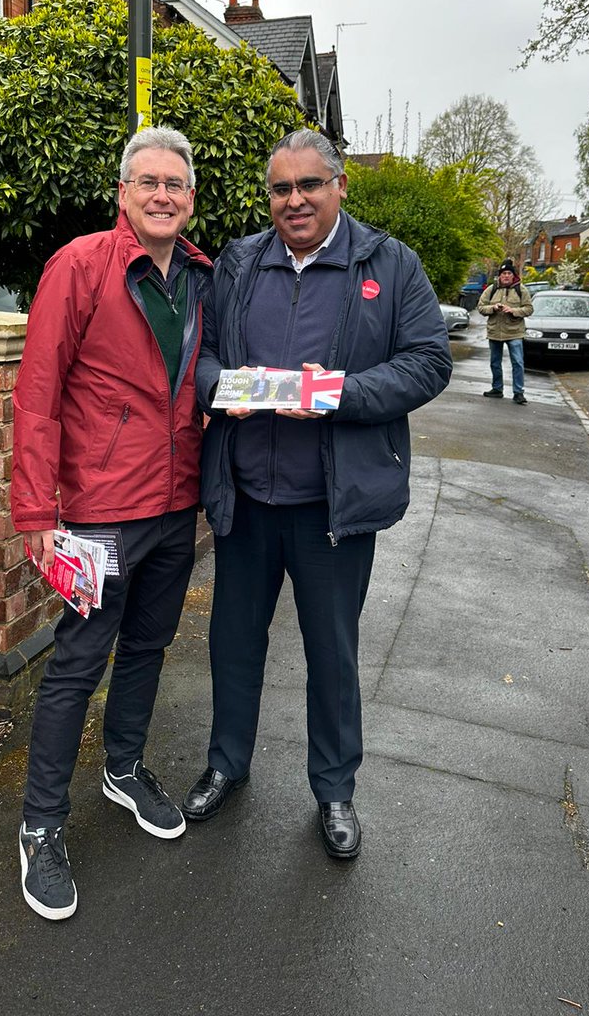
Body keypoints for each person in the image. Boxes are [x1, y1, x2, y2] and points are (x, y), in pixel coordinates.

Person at [182, 129, 452, 859]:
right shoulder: (239, 262)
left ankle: (334, 789)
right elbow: (198, 354)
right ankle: (225, 765)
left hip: (333, 506)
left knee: (331, 652)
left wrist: (341, 393)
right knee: (233, 642)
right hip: (244, 496)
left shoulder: (389, 264)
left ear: (339, 186)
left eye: (309, 185)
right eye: (281, 188)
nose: (294, 200)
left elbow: (428, 363)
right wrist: (218, 389)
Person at [10, 126, 211, 920]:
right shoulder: (81, 265)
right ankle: (40, 825)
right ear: (123, 194)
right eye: (148, 182)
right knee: (76, 662)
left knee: (150, 647)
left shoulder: (200, 275)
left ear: (190, 199)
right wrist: (34, 509)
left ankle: (122, 769)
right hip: (100, 512)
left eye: (176, 184)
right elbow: (37, 392)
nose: (163, 194)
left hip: (174, 504)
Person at [477, 260, 534, 404]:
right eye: (504, 274)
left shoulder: (521, 290)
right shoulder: (491, 289)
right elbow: (481, 307)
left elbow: (529, 309)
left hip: (514, 332)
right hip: (495, 331)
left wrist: (513, 311)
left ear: (513, 275)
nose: (506, 276)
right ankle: (497, 389)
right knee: (495, 362)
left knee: (518, 362)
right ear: (499, 276)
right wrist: (493, 308)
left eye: (509, 273)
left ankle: (518, 392)